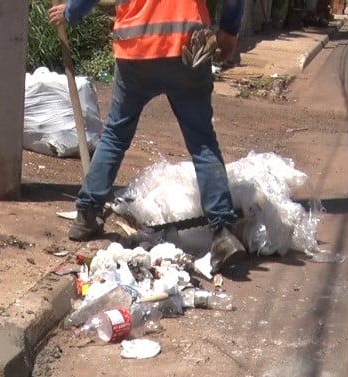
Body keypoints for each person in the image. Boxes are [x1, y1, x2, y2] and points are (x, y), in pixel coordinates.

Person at [50, 0, 249, 275]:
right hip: (187, 47)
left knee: (115, 135)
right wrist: (229, 30)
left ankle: (86, 215)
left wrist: (72, 12)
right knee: (203, 143)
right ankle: (223, 232)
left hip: (135, 48)